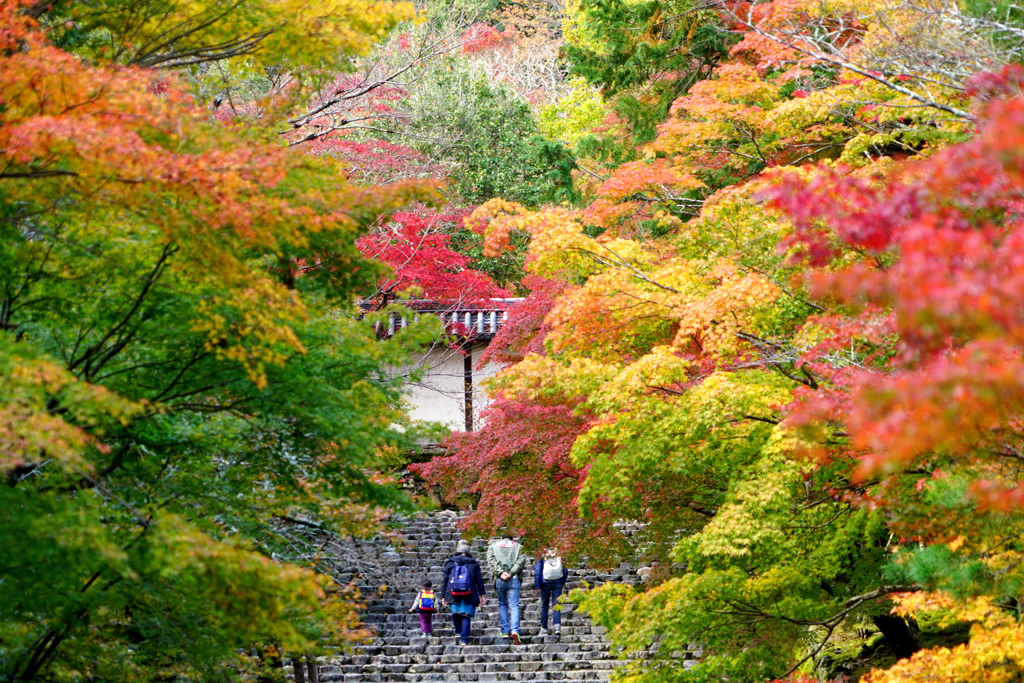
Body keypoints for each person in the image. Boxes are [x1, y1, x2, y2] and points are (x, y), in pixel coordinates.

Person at [441, 541, 486, 646]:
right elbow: (479, 580)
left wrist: (443, 596)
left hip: (452, 592)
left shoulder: (450, 563)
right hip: (469, 593)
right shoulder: (473, 563)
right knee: (465, 615)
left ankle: (458, 631)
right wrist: (482, 594)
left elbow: (445, 580)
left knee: (456, 612)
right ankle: (464, 639)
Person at [487, 534, 526, 644]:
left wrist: (500, 572)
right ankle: (515, 630)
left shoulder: (493, 546)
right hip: (514, 578)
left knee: (503, 604)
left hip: (500, 579)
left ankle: (505, 630)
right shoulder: (519, 547)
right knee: (514, 605)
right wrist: (511, 572)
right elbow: (521, 561)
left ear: (501, 537)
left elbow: (491, 560)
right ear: (512, 537)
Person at [533, 549, 569, 637]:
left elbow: (538, 570)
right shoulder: (560, 553)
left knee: (544, 605)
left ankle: (544, 628)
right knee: (556, 605)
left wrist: (537, 585)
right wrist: (562, 581)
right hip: (558, 581)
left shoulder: (542, 553)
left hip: (545, 582)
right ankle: (557, 628)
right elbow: (565, 569)